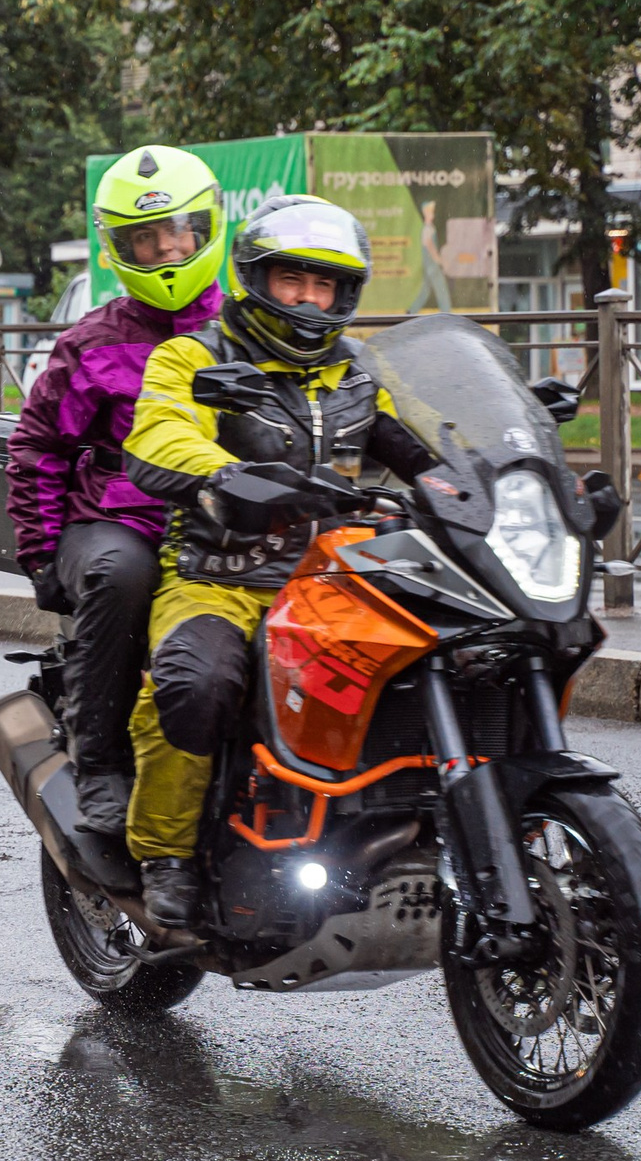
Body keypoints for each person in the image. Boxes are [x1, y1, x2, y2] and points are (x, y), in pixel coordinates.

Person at [119, 195, 442, 926]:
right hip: (220, 574)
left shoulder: (361, 371)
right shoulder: (197, 356)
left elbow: (431, 444)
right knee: (196, 683)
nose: (309, 299)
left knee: (456, 657)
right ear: (257, 279)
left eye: (325, 285)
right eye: (293, 280)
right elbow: (161, 434)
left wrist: (502, 470)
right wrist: (224, 474)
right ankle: (166, 855)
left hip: (341, 579)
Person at [8, 145, 228, 836]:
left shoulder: (249, 330)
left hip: (227, 522)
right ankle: (98, 758)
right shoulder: (91, 342)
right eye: (145, 238)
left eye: (176, 232)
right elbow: (37, 446)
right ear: (119, 247)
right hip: (117, 520)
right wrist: (43, 555)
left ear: (205, 229)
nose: (166, 249)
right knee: (122, 573)